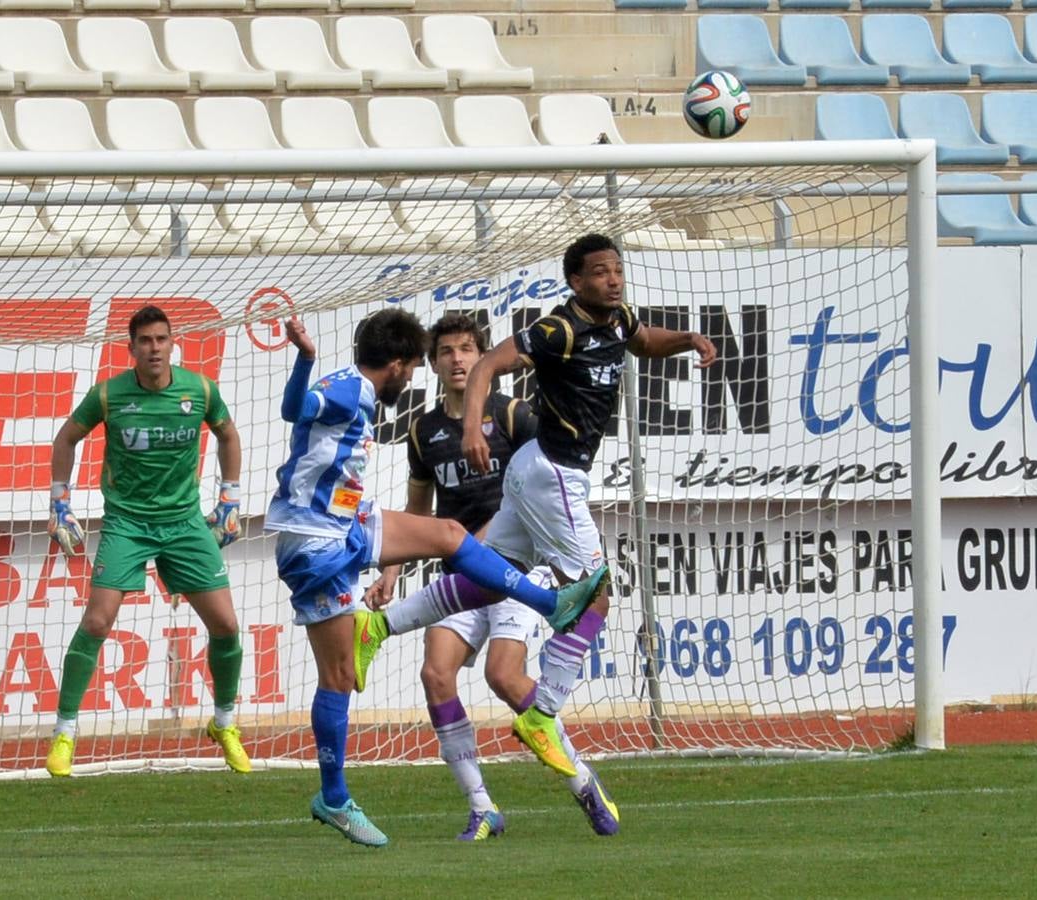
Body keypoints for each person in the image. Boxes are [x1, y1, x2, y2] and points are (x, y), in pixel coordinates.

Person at [356, 233, 717, 779]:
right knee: (596, 596)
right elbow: (486, 369)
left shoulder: (618, 322)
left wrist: (688, 337)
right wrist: (475, 428)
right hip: (553, 473)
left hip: (533, 472)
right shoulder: (558, 328)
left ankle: (377, 630)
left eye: (617, 270)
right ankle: (542, 711)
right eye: (599, 272)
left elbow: (644, 341)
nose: (613, 280)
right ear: (576, 282)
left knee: (487, 577)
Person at [268, 309, 608, 848]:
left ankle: (548, 604)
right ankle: (334, 797)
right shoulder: (355, 393)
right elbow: (296, 409)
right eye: (422, 365)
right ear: (401, 364)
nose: (423, 376)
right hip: (315, 542)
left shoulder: (499, 413)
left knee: (449, 534)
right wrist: (304, 360)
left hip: (347, 525)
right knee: (340, 678)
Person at [366, 312, 621, 841]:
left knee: (504, 678)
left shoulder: (514, 416)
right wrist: (390, 573)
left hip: (513, 571)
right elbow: (419, 512)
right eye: (446, 351)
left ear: (481, 358)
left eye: (466, 349)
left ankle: (584, 784)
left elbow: (537, 488)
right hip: (463, 571)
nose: (458, 359)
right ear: (433, 364)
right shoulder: (424, 429)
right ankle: (483, 807)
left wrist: (477, 542)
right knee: (436, 675)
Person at [43, 304, 250, 778]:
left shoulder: (199, 390)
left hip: (184, 522)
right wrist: (60, 503)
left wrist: (230, 498)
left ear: (172, 342)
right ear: (131, 347)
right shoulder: (109, 395)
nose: (154, 349)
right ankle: (64, 733)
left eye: (161, 339)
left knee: (226, 625)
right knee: (97, 621)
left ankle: (225, 724)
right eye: (145, 341)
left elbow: (229, 435)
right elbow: (65, 439)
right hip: (127, 522)